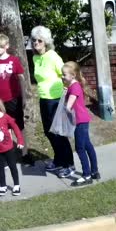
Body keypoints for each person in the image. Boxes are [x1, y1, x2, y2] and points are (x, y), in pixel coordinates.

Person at [31, 26, 75, 178]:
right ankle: (58, 160)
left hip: (56, 99)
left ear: (46, 42)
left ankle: (69, 164)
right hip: (44, 99)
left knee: (59, 133)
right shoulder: (35, 58)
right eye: (34, 40)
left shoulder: (53, 56)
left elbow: (66, 75)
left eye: (39, 40)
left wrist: (67, 94)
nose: (36, 42)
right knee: (49, 132)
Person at [61, 62, 100, 186]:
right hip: (82, 119)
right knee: (87, 145)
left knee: (80, 148)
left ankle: (86, 175)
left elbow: (68, 107)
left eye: (64, 74)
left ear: (72, 75)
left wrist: (63, 104)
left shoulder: (75, 87)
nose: (62, 76)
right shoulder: (74, 85)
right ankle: (94, 171)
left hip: (80, 121)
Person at [0, 34, 34, 165]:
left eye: (0, 47)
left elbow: (21, 79)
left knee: (19, 126)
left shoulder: (13, 60)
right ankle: (7, 155)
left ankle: (25, 154)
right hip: (0, 102)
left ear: (6, 46)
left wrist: (24, 97)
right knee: (3, 127)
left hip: (14, 99)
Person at [0, 99, 24, 196]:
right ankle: (2, 185)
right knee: (0, 168)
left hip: (9, 148)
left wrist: (20, 140)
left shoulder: (6, 117)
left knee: (12, 166)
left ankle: (17, 185)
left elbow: (16, 128)